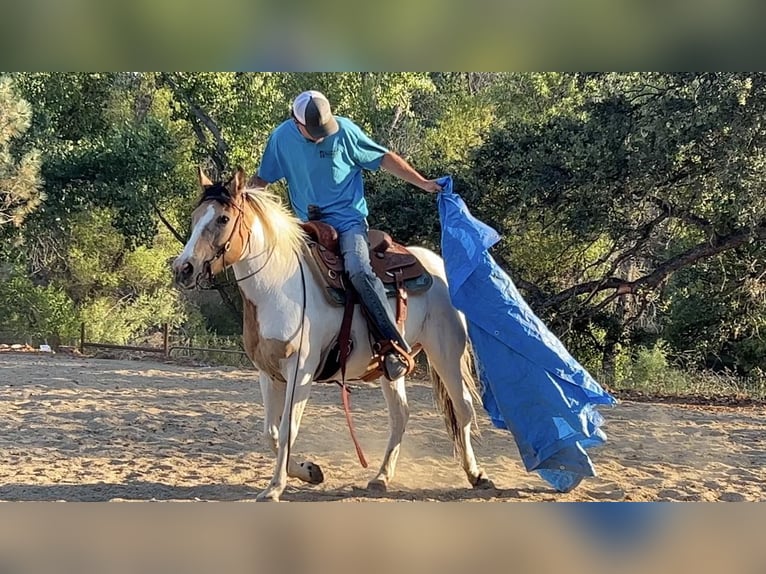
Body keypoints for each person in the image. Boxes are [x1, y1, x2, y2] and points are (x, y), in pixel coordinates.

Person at [249, 90, 441, 381]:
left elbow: (384, 158)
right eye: (312, 131)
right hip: (303, 227)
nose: (320, 135)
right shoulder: (281, 138)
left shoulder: (345, 131)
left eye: (323, 129)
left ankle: (392, 346)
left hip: (348, 223)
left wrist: (423, 183)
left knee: (358, 270)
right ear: (295, 122)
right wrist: (241, 200)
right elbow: (262, 179)